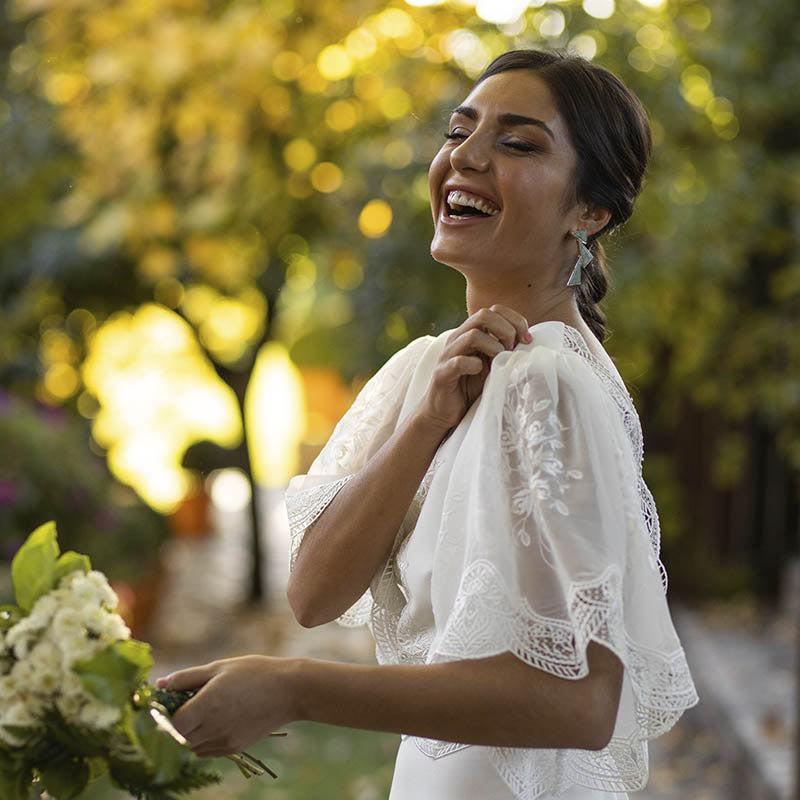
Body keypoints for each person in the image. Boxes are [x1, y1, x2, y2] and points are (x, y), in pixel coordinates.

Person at [159, 49, 698, 799]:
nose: (465, 158)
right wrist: (424, 424)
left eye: (517, 143)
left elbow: (584, 702)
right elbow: (313, 593)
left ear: (591, 210)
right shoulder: (425, 371)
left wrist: (295, 689)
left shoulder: (549, 381)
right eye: (458, 131)